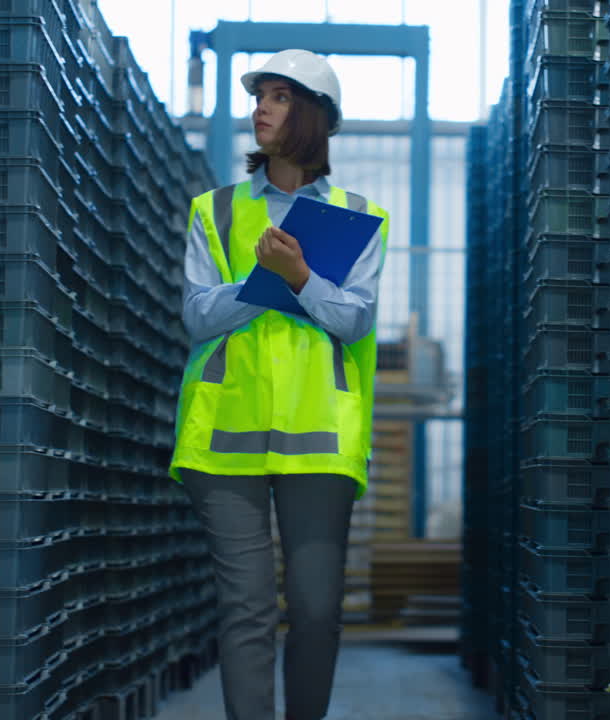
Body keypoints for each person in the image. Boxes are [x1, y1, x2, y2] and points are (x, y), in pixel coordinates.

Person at [168, 49, 389, 720]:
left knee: (318, 612)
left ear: (314, 117)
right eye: (259, 95)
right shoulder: (217, 209)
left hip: (320, 441)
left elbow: (354, 320)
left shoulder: (356, 215)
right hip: (224, 437)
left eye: (280, 97)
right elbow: (199, 313)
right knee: (246, 611)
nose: (260, 108)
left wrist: (300, 278)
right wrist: (268, 284)